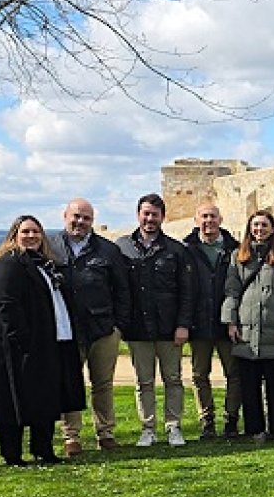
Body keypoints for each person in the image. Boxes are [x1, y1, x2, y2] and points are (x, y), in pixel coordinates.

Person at [0, 215, 84, 465]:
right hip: (12, 343)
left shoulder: (43, 264)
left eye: (36, 232)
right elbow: (6, 305)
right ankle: (12, 454)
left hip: (44, 340)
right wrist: (23, 340)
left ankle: (42, 449)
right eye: (25, 232)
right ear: (14, 236)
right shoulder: (8, 265)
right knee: (12, 399)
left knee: (43, 395)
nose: (31, 236)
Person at [51, 198, 130, 455]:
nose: (80, 222)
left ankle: (105, 433)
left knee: (103, 384)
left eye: (86, 218)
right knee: (69, 382)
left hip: (103, 327)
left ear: (92, 222)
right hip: (67, 328)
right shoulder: (51, 248)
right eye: (76, 216)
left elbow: (122, 290)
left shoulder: (108, 251)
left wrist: (119, 325)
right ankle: (71, 436)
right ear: (65, 216)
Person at [116, 193, 195, 447]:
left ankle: (174, 427)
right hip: (138, 327)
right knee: (143, 382)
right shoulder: (122, 247)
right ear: (138, 214)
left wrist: (183, 324)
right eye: (146, 213)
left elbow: (187, 291)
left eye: (155, 214)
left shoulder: (176, 249)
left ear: (163, 217)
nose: (150, 219)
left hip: (169, 327)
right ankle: (148, 428)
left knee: (173, 379)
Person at [222, 210, 274, 442]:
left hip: (272, 328)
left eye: (264, 225)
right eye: (255, 225)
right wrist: (230, 321)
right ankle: (255, 429)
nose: (259, 230)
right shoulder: (239, 255)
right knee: (250, 384)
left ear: (272, 228)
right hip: (246, 328)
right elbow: (231, 290)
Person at [183, 201, 242, 439]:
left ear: (220, 220)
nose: (209, 221)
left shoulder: (234, 249)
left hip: (226, 322)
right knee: (199, 374)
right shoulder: (186, 249)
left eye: (213, 217)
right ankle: (206, 419)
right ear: (196, 220)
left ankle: (231, 419)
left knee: (234, 373)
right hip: (198, 321)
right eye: (204, 217)